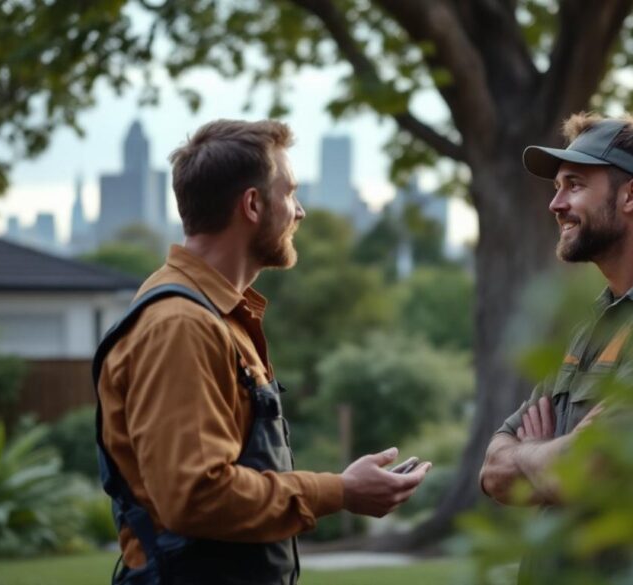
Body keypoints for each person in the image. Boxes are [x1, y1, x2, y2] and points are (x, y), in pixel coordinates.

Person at [93, 119, 430, 585]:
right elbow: (195, 496)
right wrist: (340, 492)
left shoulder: (215, 315)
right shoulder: (181, 326)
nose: (300, 212)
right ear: (252, 205)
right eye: (289, 193)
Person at [478, 114, 633, 580]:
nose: (556, 203)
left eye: (575, 184)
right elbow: (493, 471)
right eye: (557, 187)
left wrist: (544, 453)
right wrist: (554, 454)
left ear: (632, 195)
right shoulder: (595, 324)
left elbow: (590, 467)